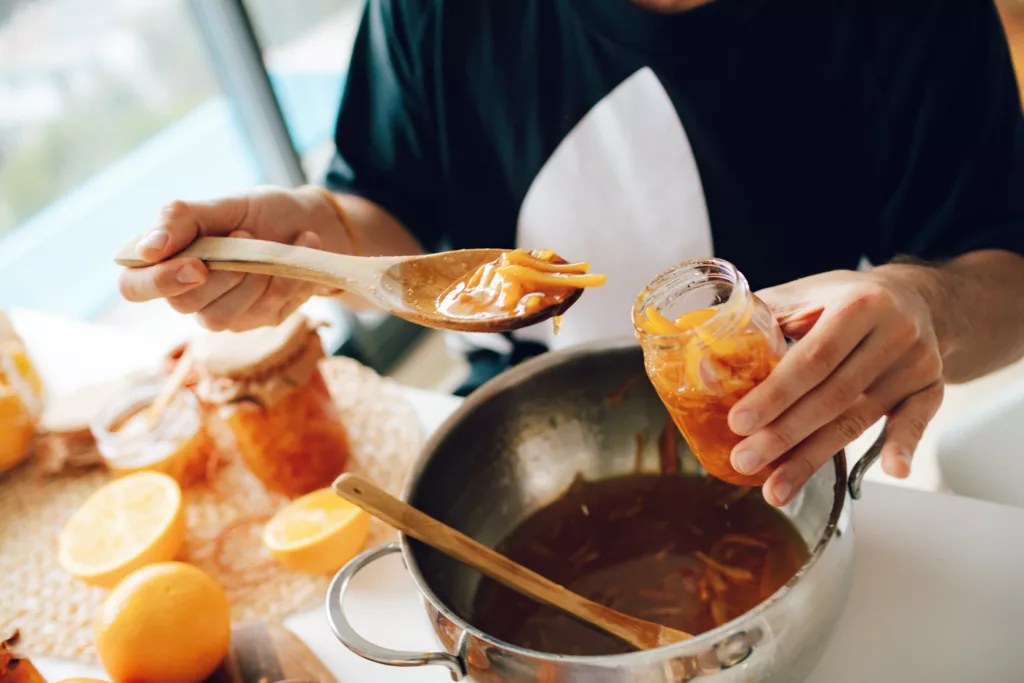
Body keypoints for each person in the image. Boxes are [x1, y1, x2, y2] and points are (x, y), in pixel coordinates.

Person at [118, 0, 1024, 507]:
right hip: (514, 444)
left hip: (789, 448)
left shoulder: (915, 20)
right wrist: (316, 231)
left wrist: (928, 306)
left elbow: (1004, 272)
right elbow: (387, 206)